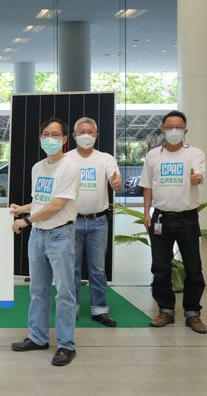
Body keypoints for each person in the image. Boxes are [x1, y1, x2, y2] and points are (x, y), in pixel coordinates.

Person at [10, 117, 80, 367]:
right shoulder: (38, 167)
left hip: (60, 236)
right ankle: (38, 337)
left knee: (64, 292)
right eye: (46, 134)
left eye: (55, 134)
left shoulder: (70, 167)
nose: (50, 138)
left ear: (64, 139)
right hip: (38, 236)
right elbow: (41, 201)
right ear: (40, 138)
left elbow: (57, 205)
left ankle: (66, 345)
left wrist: (25, 221)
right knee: (37, 290)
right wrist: (21, 208)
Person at [139, 110, 207, 334]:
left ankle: (192, 312)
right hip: (160, 218)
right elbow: (147, 186)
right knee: (160, 268)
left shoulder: (195, 154)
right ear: (162, 130)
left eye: (178, 127)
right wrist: (146, 213)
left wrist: (197, 177)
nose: (174, 131)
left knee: (193, 268)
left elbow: (199, 175)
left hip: (188, 218)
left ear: (185, 131)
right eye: (170, 127)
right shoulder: (153, 156)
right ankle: (166, 310)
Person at [67, 117, 121, 327]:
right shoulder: (66, 158)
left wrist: (116, 184)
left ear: (96, 136)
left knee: (97, 269)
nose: (86, 136)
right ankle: (71, 308)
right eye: (82, 132)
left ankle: (99, 309)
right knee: (72, 268)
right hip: (72, 221)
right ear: (74, 136)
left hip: (98, 222)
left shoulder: (105, 158)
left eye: (90, 132)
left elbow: (115, 181)